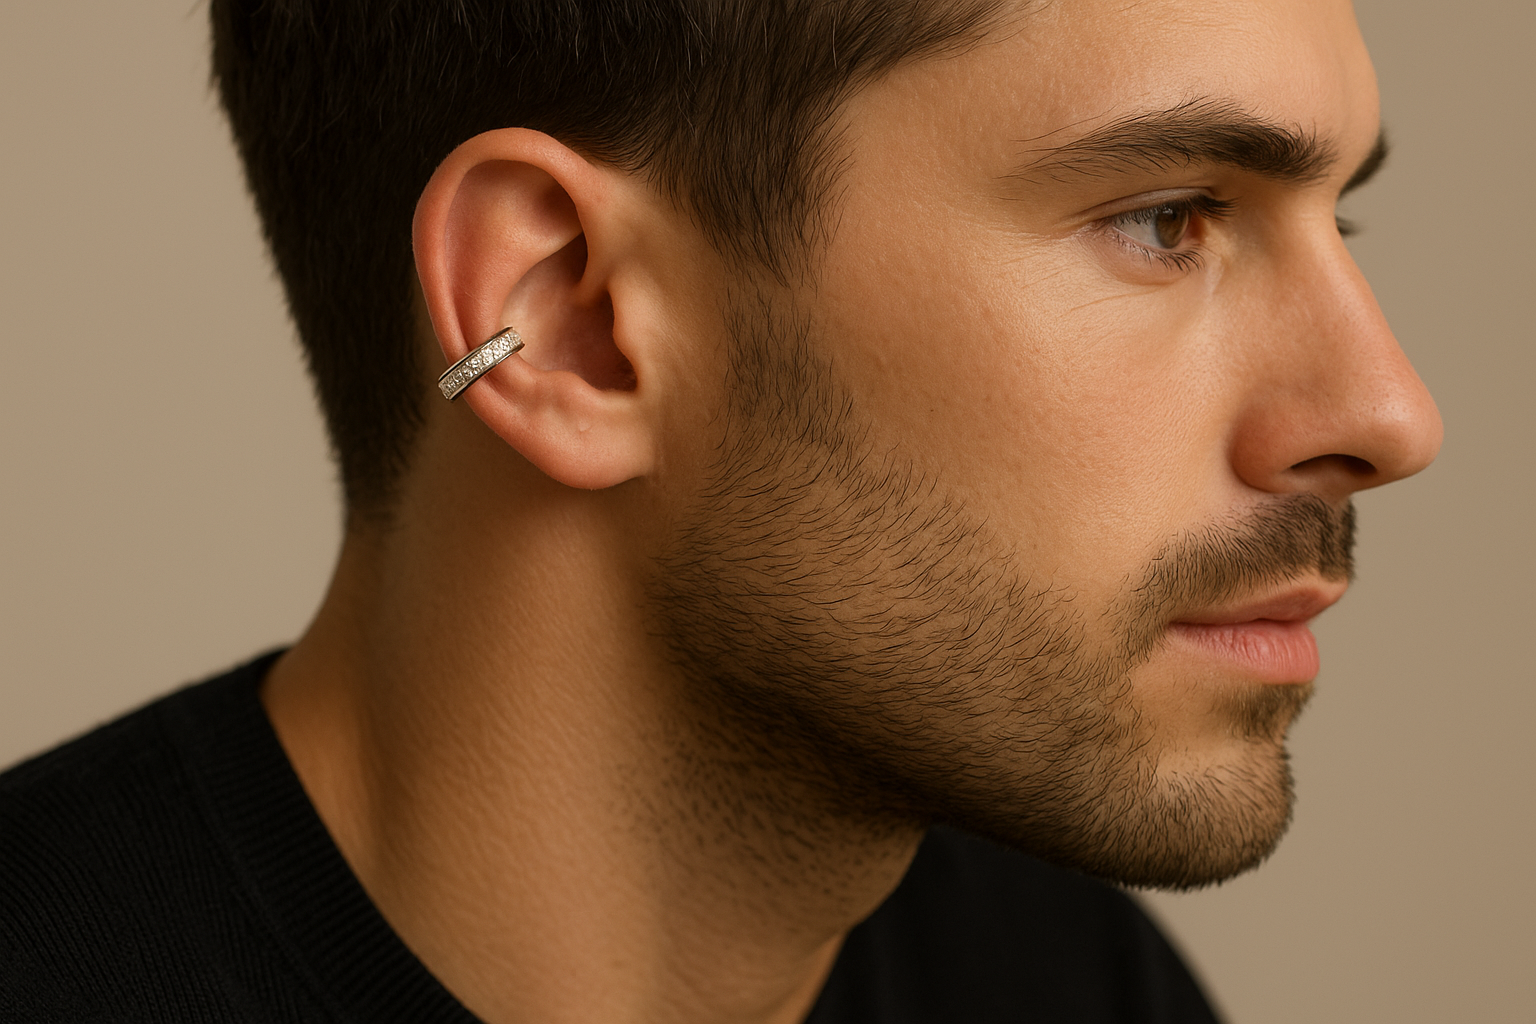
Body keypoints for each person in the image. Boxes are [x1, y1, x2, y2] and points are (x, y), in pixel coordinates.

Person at [0, 0, 1441, 1021]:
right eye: (1168, 218)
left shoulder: (1065, 983)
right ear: (569, 326)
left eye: (1340, 222)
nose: (1392, 416)